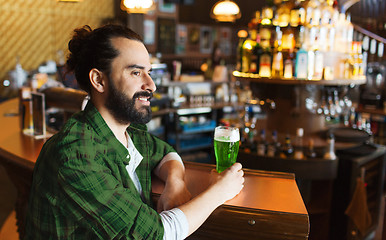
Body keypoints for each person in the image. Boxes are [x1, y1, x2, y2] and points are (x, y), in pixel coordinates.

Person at [24, 24, 244, 239]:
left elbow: (166, 153)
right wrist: (219, 191)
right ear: (99, 80)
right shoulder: (75, 155)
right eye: (136, 72)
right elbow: (156, 234)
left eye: (148, 72)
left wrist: (175, 182)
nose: (151, 85)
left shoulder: (128, 131)